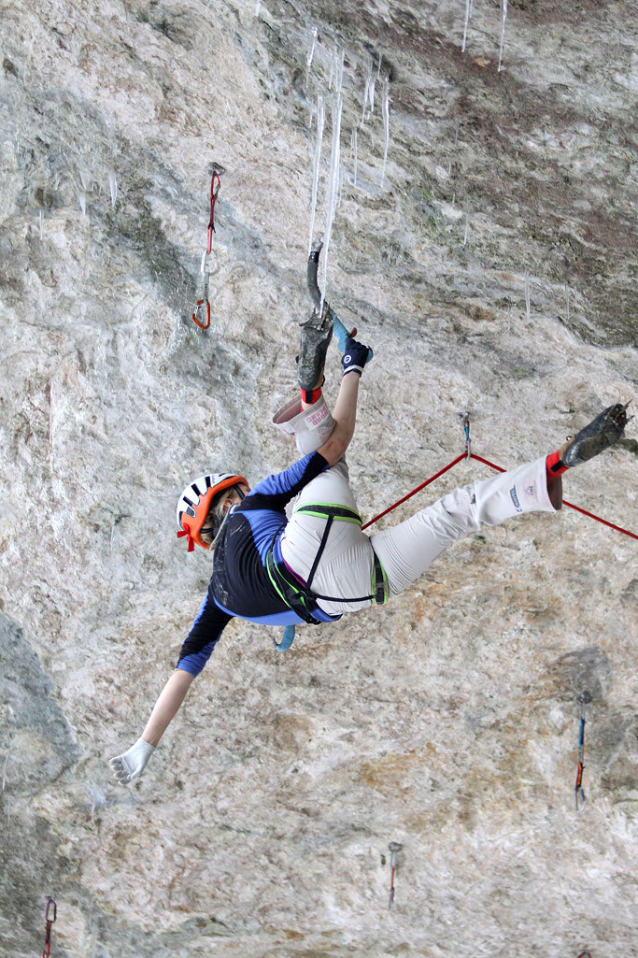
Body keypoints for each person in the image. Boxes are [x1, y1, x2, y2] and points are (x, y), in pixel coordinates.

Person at [110, 320, 629, 786]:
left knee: (457, 513)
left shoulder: (217, 602)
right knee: (323, 456)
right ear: (227, 499)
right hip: (302, 545)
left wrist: (144, 745)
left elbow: (182, 675)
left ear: (202, 535)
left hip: (353, 589)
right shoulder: (257, 504)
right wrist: (354, 369)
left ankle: (550, 474)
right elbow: (337, 445)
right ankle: (316, 386)